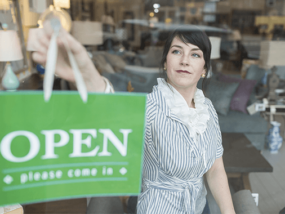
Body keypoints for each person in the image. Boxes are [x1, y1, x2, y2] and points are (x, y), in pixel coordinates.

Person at [32, 22, 236, 214]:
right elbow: (112, 111)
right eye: (176, 51)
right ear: (166, 62)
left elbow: (215, 169)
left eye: (195, 54)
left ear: (204, 69)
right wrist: (88, 76)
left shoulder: (206, 108)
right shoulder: (150, 108)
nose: (184, 60)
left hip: (200, 208)